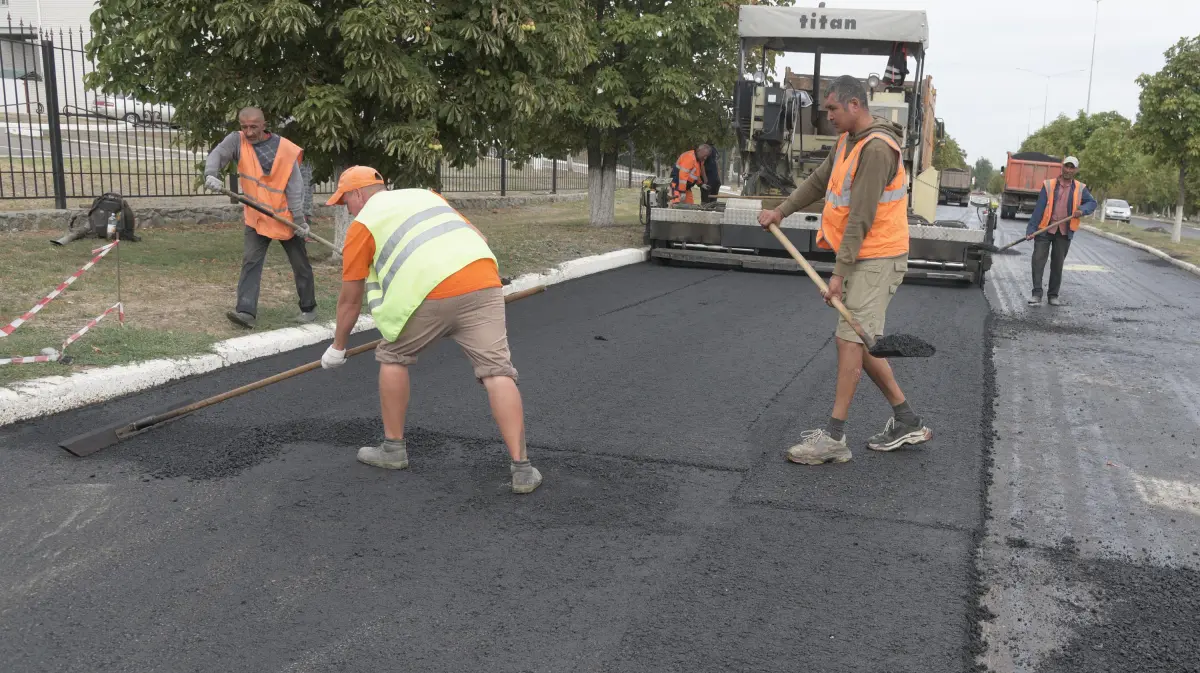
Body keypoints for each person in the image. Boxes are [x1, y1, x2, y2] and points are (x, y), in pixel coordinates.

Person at [318, 167, 541, 494]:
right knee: (497, 372)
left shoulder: (362, 224)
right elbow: (477, 237)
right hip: (483, 281)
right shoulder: (427, 195)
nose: (346, 209)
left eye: (345, 202)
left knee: (393, 355)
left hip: (431, 293)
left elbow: (350, 300)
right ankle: (522, 469)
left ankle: (393, 450)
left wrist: (338, 348)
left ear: (358, 194)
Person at [756, 75, 932, 465]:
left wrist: (837, 274)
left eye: (833, 108)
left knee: (847, 340)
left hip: (878, 256)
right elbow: (819, 182)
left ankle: (834, 438)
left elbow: (861, 218)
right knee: (862, 338)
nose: (828, 115)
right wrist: (780, 212)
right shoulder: (848, 142)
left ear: (855, 105)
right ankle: (907, 420)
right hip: (864, 255)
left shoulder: (877, 149)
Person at [203, 106, 316, 329]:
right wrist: (211, 174)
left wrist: (301, 220)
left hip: (286, 218)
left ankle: (309, 308)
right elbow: (217, 154)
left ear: (264, 125)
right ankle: (245, 312)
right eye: (244, 127)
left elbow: (295, 187)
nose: (249, 131)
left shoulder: (284, 149)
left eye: (254, 127)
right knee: (251, 262)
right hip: (256, 216)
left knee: (300, 264)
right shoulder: (237, 141)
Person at [1026, 156, 1097, 306]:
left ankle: (1053, 295)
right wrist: (1031, 229)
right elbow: (1039, 208)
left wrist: (1082, 210)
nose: (1069, 170)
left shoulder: (1080, 188)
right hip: (1044, 229)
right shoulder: (1049, 185)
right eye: (1067, 166)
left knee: (1057, 264)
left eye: (1072, 168)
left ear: (1076, 170)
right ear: (1062, 167)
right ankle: (1037, 294)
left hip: (1064, 231)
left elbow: (1092, 203)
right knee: (1038, 261)